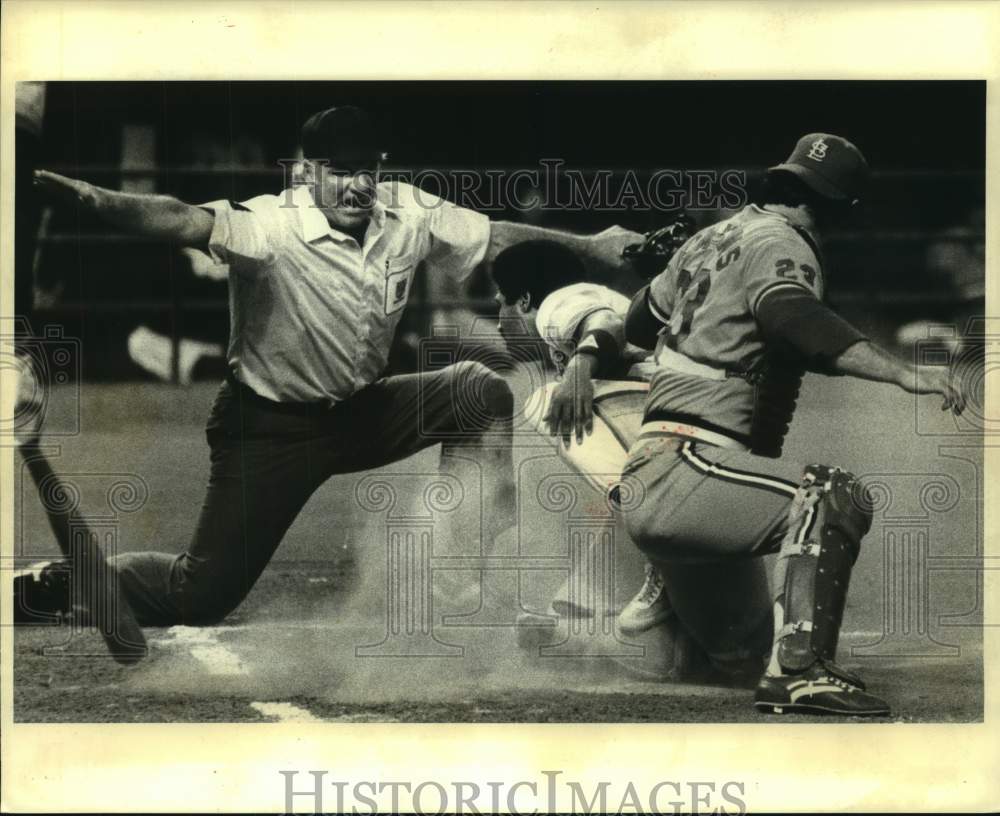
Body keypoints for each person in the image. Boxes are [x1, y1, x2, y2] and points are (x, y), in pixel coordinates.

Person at [19, 105, 641, 628]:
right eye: (340, 173)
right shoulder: (271, 226)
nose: (357, 187)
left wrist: (591, 247)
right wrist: (101, 201)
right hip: (269, 429)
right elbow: (182, 217)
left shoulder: (407, 210)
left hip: (363, 412)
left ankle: (461, 575)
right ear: (307, 171)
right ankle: (60, 582)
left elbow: (495, 237)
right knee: (198, 598)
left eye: (367, 172)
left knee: (477, 390)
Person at [621, 133, 966, 716]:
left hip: (671, 473)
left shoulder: (712, 235)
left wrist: (691, 285)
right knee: (833, 496)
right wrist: (900, 373)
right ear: (841, 206)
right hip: (687, 470)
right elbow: (792, 316)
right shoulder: (784, 242)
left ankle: (682, 629)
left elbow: (636, 322)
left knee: (743, 659)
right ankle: (802, 674)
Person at [490, 237, 773, 685]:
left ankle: (654, 608)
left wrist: (580, 366)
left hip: (680, 477)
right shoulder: (616, 304)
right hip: (737, 604)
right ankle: (595, 611)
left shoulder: (559, 304)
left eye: (501, 302)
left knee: (548, 402)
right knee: (620, 516)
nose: (499, 317)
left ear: (524, 300)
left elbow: (604, 321)